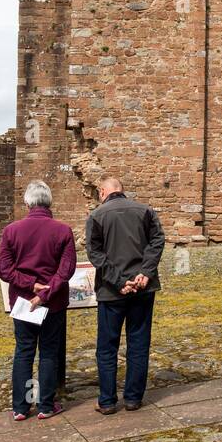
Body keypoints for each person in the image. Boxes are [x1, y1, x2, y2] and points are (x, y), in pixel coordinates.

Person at [0, 180, 77, 422]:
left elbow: (3, 269)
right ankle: (45, 405)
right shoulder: (62, 230)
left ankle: (21, 407)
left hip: (23, 301)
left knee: (24, 351)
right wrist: (44, 292)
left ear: (28, 202)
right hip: (52, 302)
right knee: (49, 352)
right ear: (49, 201)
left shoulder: (12, 230)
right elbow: (66, 270)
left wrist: (29, 285)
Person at [85, 176, 165, 414]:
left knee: (107, 347)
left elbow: (95, 253)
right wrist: (145, 272)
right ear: (122, 190)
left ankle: (107, 401)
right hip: (143, 288)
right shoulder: (145, 210)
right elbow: (157, 241)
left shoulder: (97, 215)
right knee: (138, 343)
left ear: (102, 192)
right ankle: (133, 398)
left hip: (112, 291)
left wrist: (119, 281)